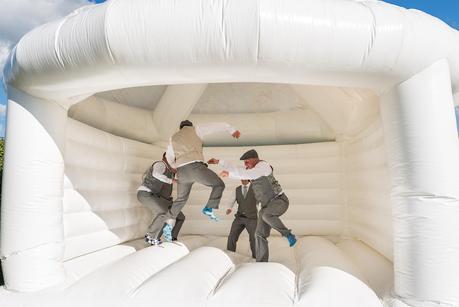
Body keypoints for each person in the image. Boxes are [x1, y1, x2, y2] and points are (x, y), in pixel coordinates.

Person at [208, 149, 296, 262]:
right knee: (259, 234)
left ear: (255, 159)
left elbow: (248, 174)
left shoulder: (263, 166)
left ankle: (288, 234)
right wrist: (218, 161)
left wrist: (229, 174)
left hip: (279, 201)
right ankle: (261, 262)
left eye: (247, 162)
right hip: (265, 207)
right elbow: (235, 168)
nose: (245, 165)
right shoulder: (250, 169)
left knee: (266, 215)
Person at [162, 120, 241, 241]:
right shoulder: (196, 130)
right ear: (190, 126)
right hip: (195, 168)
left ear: (180, 128)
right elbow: (216, 125)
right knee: (218, 184)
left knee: (181, 200)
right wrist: (231, 129)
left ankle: (168, 224)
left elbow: (169, 157)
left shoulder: (173, 137)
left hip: (181, 172)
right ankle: (209, 207)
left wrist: (176, 166)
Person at [137, 153, 186, 245]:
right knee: (163, 213)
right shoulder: (160, 164)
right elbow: (156, 174)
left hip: (163, 199)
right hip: (146, 193)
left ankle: (171, 238)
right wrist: (172, 180)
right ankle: (151, 236)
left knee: (180, 217)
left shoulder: (171, 172)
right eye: (174, 160)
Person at [225, 179, 258, 259]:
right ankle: (230, 254)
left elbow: (261, 200)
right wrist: (229, 208)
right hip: (239, 217)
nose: (242, 180)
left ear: (248, 178)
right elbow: (231, 200)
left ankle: (256, 257)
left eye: (244, 178)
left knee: (253, 238)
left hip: (252, 218)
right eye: (241, 178)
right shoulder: (237, 189)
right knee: (232, 236)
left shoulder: (256, 188)